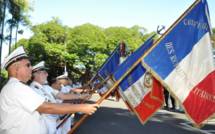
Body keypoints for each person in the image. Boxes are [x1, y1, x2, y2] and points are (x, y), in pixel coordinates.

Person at [0, 46, 98, 134]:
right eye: (28, 65)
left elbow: (60, 97)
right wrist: (81, 107)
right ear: (15, 68)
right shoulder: (16, 87)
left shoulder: (17, 87)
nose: (31, 68)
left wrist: (81, 97)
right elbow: (47, 107)